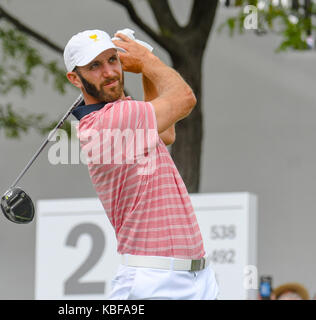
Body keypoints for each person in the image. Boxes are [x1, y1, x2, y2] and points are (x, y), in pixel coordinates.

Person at [63, 29, 219, 300]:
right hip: (153, 280)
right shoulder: (108, 122)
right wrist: (147, 60)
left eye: (113, 59)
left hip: (197, 277)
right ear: (75, 78)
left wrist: (146, 70)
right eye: (95, 66)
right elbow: (185, 98)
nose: (110, 72)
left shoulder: (124, 111)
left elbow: (166, 134)